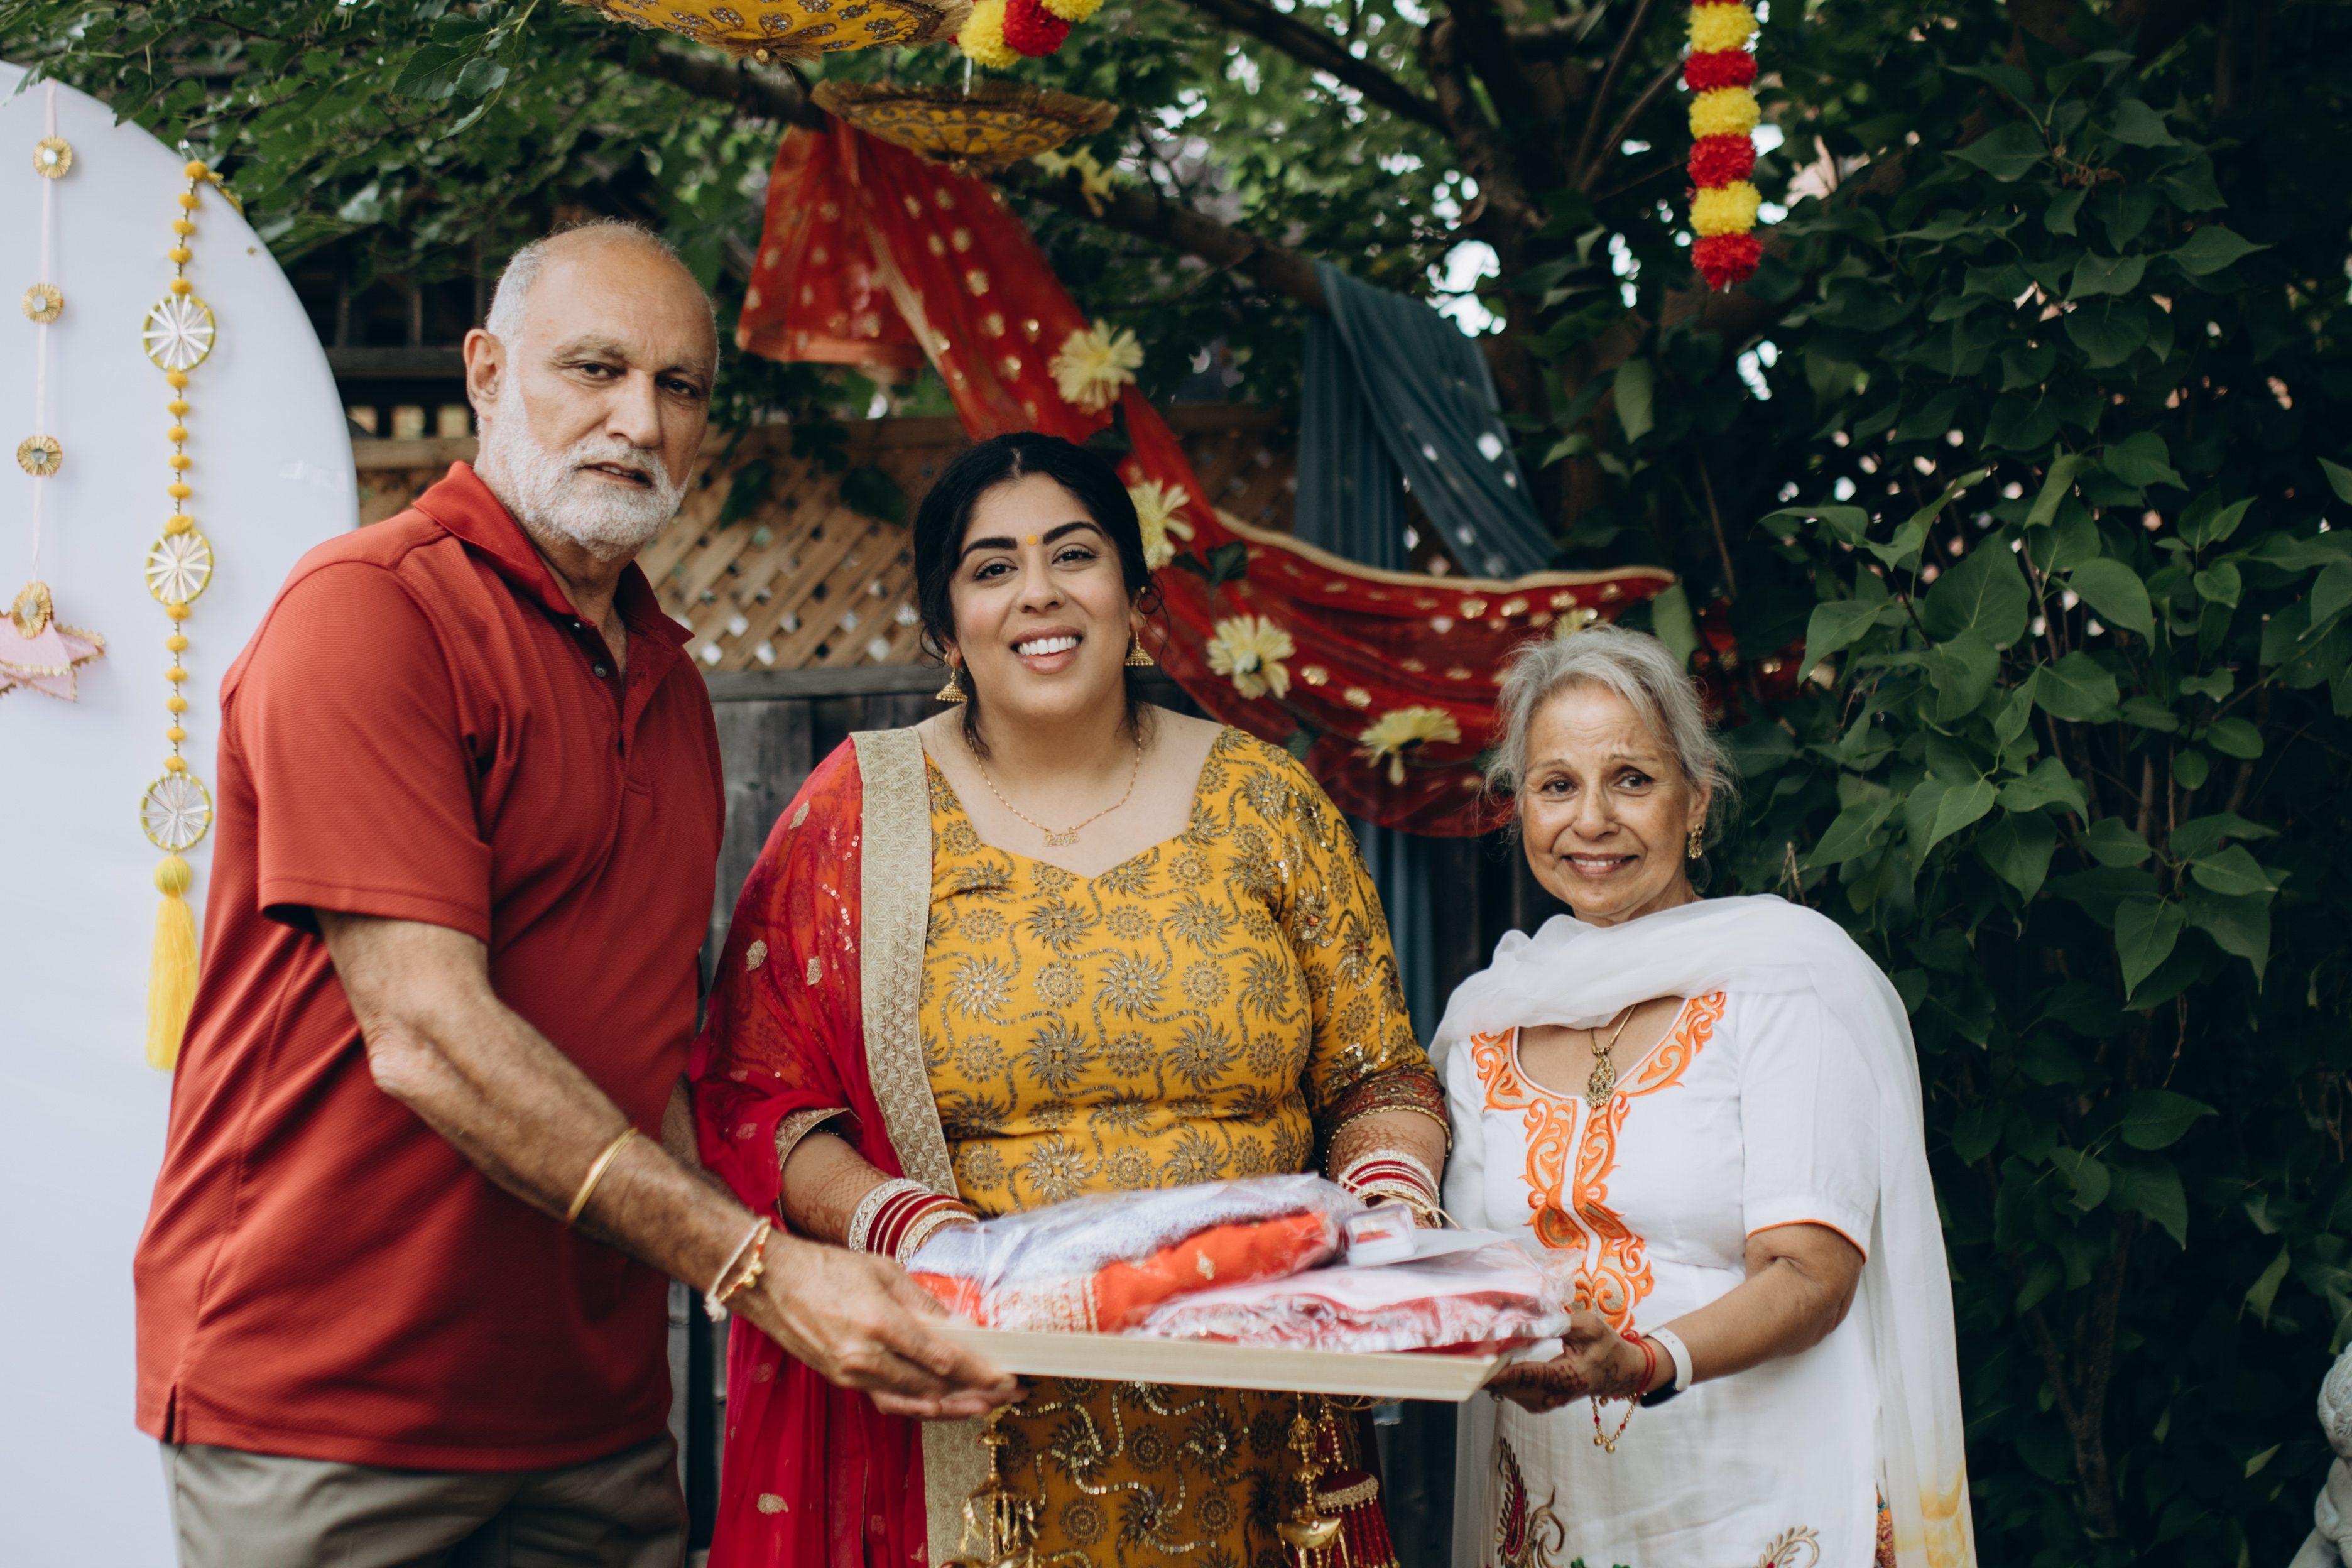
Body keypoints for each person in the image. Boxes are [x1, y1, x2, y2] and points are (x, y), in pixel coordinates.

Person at [134, 219, 1011, 1568]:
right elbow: (427, 1036)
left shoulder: (668, 681)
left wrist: (875, 1244)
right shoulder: (368, 613)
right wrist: (757, 1271)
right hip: (328, 1406)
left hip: (592, 1418)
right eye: (594, 369)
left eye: (679, 387)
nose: (638, 421)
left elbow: (648, 1066)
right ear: (486, 372)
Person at [689, 430, 1451, 1567]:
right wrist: (920, 1235)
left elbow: (1376, 1078)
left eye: (1074, 554)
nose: (1038, 592)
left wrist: (1391, 1215)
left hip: (1269, 1423)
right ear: (946, 627)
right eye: (992, 567)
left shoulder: (1266, 800)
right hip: (980, 1423)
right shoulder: (860, 813)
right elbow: (761, 1100)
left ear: (1138, 602)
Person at [1434, 624, 1974, 1568]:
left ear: (1697, 800)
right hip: (1559, 1510)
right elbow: (1465, 1274)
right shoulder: (1487, 1022)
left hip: (1760, 1511)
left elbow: (1810, 1275)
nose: (1591, 820)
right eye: (1557, 785)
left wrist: (1646, 1361)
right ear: (1519, 808)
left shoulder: (1782, 982)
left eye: (1631, 779)